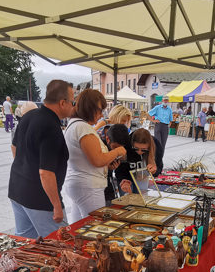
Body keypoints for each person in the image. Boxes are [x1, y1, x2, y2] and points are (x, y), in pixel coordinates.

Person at [8, 80, 74, 238]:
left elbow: (14, 147)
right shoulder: (51, 126)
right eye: (73, 102)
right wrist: (56, 205)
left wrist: (26, 169)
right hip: (39, 199)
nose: (73, 105)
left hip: (17, 189)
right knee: (63, 244)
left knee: (26, 243)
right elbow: (46, 172)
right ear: (62, 103)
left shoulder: (29, 115)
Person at [62, 89, 127, 223]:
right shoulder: (82, 128)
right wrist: (118, 151)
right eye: (99, 110)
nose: (101, 114)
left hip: (79, 184)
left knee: (79, 227)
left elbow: (90, 159)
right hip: (88, 187)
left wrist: (107, 165)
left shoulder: (74, 124)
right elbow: (97, 160)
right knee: (95, 227)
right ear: (89, 108)